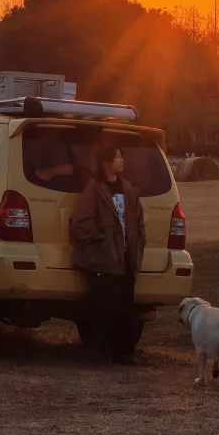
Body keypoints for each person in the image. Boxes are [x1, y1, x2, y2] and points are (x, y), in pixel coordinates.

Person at [69, 144, 145, 363]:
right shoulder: (94, 190)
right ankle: (102, 352)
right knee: (104, 308)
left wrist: (138, 242)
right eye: (117, 157)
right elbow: (80, 224)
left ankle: (124, 353)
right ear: (105, 163)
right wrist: (100, 239)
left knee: (126, 309)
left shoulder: (129, 190)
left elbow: (139, 223)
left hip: (126, 260)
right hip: (103, 262)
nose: (122, 161)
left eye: (122, 156)